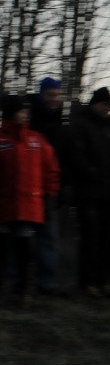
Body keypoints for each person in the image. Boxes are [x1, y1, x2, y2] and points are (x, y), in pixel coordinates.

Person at [0, 95, 60, 308]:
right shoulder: (2, 141)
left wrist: (49, 194)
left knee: (25, 251)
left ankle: (24, 291)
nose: (25, 115)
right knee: (4, 250)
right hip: (4, 208)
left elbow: (51, 169)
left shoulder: (37, 140)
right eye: (20, 111)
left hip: (28, 208)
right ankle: (7, 289)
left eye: (26, 111)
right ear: (10, 113)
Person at [67, 87, 110, 298]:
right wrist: (90, 172)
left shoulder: (109, 129)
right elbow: (76, 156)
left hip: (107, 192)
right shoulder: (82, 125)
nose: (108, 109)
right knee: (90, 238)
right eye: (104, 105)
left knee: (107, 238)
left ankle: (103, 280)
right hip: (88, 191)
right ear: (95, 104)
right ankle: (87, 281)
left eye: (109, 106)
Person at [28, 77, 66, 297]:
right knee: (24, 237)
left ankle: (47, 282)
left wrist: (61, 185)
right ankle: (19, 280)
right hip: (29, 188)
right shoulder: (32, 121)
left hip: (50, 188)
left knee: (49, 238)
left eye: (57, 95)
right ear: (42, 95)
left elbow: (62, 157)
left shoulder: (59, 123)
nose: (55, 99)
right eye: (51, 95)